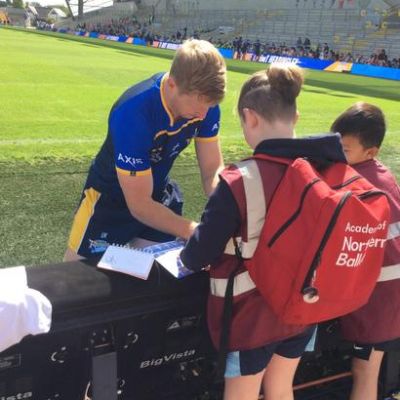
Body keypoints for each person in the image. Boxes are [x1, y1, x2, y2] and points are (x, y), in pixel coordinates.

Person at [180, 64, 347, 400]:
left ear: (250, 117)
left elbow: (198, 254)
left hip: (251, 316)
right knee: (281, 388)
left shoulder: (238, 180)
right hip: (303, 309)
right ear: (295, 117)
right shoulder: (324, 169)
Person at [64, 39, 227, 261]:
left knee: (159, 277)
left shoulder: (204, 105)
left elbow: (212, 170)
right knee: (76, 276)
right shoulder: (133, 112)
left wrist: (227, 204)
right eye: (198, 106)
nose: (203, 115)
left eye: (209, 106)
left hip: (157, 197)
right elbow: (139, 205)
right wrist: (195, 230)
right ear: (172, 84)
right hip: (108, 201)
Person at [331, 102, 400, 400]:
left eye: (344, 149)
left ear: (370, 152)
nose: (336, 154)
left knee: (365, 370)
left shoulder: (358, 182)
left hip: (381, 293)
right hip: (388, 289)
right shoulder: (381, 174)